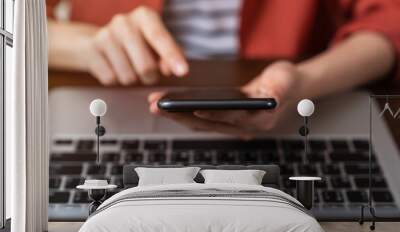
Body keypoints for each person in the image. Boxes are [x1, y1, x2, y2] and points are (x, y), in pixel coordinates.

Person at [47, 0, 400, 138]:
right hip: (114, 110)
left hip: (297, 112)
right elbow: (15, 20)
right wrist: (85, 45)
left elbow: (390, 19)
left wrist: (306, 80)